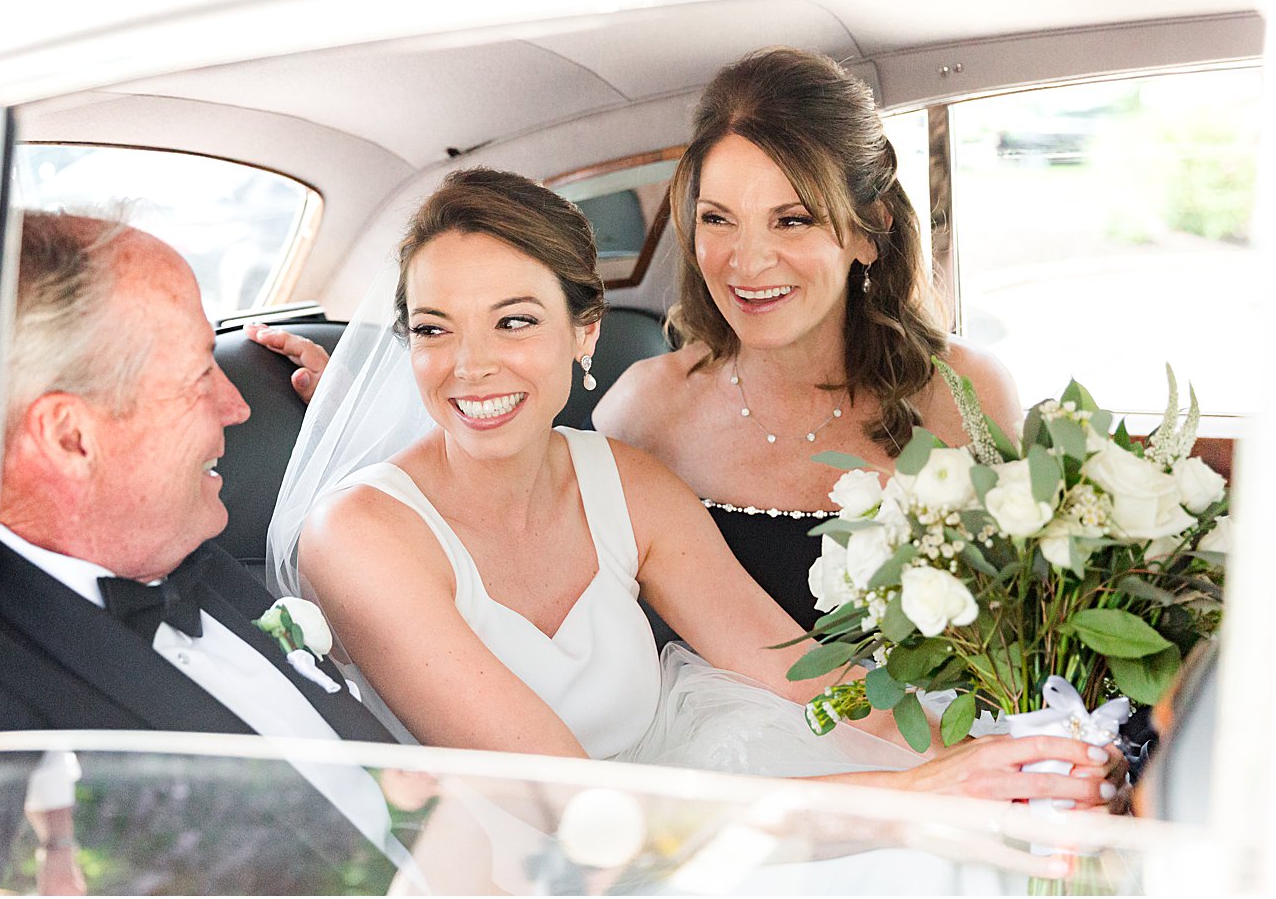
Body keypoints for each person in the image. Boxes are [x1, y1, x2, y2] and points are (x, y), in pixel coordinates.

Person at [268, 169, 1119, 805]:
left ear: (584, 333)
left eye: (515, 320)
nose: (471, 364)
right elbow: (568, 805)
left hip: (687, 815)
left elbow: (803, 676)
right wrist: (916, 797)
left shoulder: (626, 482)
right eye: (433, 329)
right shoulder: (360, 536)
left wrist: (1001, 752)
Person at [0, 208, 408, 887]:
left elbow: (401, 796)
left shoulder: (182, 543)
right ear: (70, 438)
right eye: (199, 374)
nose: (237, 405)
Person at [593, 47, 1021, 635]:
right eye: (718, 219)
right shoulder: (642, 411)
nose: (747, 261)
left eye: (791, 220)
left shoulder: (966, 395)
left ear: (869, 234)